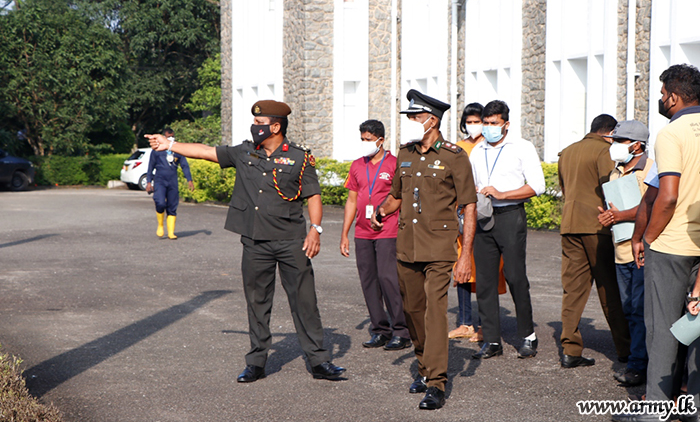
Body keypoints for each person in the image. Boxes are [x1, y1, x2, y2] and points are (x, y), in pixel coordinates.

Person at [145, 100, 345, 383]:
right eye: (255, 122)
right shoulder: (244, 152)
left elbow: (313, 195)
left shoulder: (300, 158)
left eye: (260, 124)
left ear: (275, 127)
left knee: (304, 302)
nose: (255, 127)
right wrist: (170, 144)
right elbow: (205, 152)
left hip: (291, 241)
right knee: (257, 302)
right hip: (255, 241)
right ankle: (257, 363)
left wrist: (316, 230)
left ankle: (319, 361)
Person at [370, 89, 477, 410]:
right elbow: (397, 195)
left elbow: (469, 206)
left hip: (440, 248)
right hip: (407, 246)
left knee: (434, 312)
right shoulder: (405, 154)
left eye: (415, 117)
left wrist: (466, 254)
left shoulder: (454, 156)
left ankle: (437, 382)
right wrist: (381, 211)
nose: (411, 122)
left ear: (432, 120)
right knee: (413, 312)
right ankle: (423, 367)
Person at [613, 64, 700, 422]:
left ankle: (656, 409)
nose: (661, 99)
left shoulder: (671, 132)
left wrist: (647, 238)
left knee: (661, 328)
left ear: (675, 97)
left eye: (663, 93)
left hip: (672, 242)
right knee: (696, 325)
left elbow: (665, 196)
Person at [469, 100, 544, 361]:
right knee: (485, 281)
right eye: (485, 123)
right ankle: (491, 340)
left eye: (493, 123)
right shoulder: (477, 151)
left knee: (515, 277)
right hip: (482, 217)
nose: (488, 128)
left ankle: (528, 336)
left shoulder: (521, 147)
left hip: (510, 215)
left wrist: (503, 194)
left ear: (506, 124)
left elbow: (537, 186)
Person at [557, 114, 631, 369]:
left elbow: (566, 189)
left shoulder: (567, 152)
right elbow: (610, 188)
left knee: (573, 290)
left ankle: (570, 349)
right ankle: (625, 348)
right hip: (597, 226)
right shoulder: (605, 151)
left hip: (569, 224)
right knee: (609, 288)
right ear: (608, 133)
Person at [340, 120, 411, 351]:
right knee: (368, 281)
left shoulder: (394, 163)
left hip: (387, 229)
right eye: (362, 139)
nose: (365, 143)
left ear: (381, 140)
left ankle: (401, 331)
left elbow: (401, 196)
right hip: (363, 232)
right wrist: (345, 234)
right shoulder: (356, 166)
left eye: (369, 139)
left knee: (388, 278)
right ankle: (380, 329)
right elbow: (352, 200)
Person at [596, 120, 653, 386]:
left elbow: (650, 206)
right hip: (621, 250)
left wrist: (619, 215)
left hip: (642, 249)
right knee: (629, 309)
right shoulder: (614, 173)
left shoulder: (651, 169)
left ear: (636, 145)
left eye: (619, 141)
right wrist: (609, 216)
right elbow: (616, 208)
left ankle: (639, 366)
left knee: (640, 310)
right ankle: (637, 360)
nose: (614, 146)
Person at [449, 102, 505, 343]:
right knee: (461, 265)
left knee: (484, 267)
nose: (474, 126)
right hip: (461, 213)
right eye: (469, 122)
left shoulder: (489, 148)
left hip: (484, 212)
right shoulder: (457, 148)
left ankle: (484, 324)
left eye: (477, 121)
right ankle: (465, 322)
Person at [145, 127, 195, 240]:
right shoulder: (157, 150)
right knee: (160, 202)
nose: (171, 138)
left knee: (172, 206)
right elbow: (150, 167)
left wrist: (189, 180)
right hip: (160, 180)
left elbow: (185, 165)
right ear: (164, 137)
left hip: (172, 181)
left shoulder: (177, 150)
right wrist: (149, 182)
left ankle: (171, 232)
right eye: (168, 137)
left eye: (172, 136)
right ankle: (160, 225)